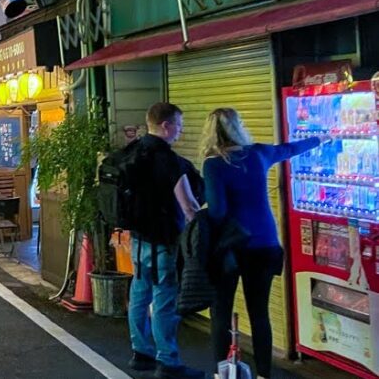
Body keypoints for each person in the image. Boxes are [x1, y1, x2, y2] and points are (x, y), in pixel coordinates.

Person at [202, 108, 326, 379]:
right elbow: (289, 149)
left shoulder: (214, 164)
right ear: (239, 127)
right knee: (259, 312)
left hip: (230, 248)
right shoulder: (259, 153)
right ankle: (263, 374)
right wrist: (321, 139)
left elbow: (218, 211)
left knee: (221, 310)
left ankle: (220, 372)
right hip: (265, 244)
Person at [126, 103, 205, 379]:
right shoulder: (167, 160)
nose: (180, 133)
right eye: (179, 127)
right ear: (166, 126)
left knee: (139, 293)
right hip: (163, 240)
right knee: (163, 299)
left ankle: (141, 352)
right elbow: (189, 206)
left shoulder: (135, 151)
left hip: (137, 239)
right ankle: (168, 361)